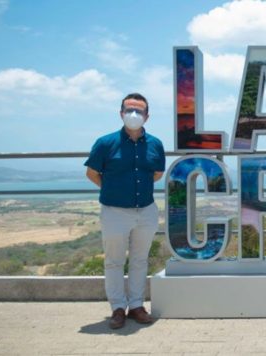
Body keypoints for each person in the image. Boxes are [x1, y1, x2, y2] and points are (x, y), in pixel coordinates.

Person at [85, 93, 165, 329]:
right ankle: (117, 308)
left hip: (146, 210)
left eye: (139, 111)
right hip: (114, 212)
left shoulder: (155, 144)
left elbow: (157, 173)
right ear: (120, 113)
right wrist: (113, 190)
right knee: (114, 261)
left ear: (147, 116)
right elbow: (91, 172)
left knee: (140, 260)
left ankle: (137, 306)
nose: (134, 114)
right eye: (130, 109)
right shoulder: (105, 143)